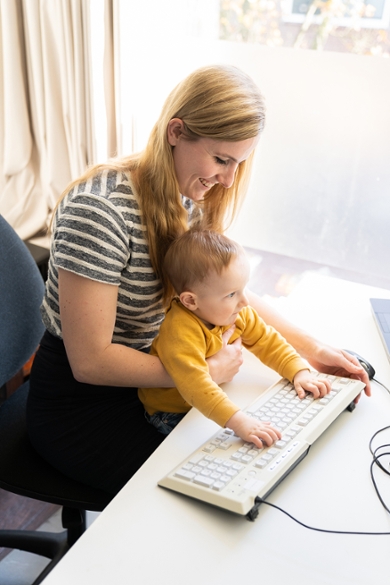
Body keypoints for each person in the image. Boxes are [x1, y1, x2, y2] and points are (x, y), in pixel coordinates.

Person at [26, 64, 370, 498]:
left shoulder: (187, 195)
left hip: (156, 377)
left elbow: (224, 293)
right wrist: (200, 373)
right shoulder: (100, 212)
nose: (228, 178)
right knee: (202, 494)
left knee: (255, 462)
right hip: (82, 405)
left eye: (238, 163)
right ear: (175, 132)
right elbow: (90, 362)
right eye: (221, 159)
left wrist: (313, 350)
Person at [139, 229, 332, 445]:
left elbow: (266, 340)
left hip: (211, 398)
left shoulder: (236, 311)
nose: (245, 302)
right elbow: (196, 385)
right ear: (191, 301)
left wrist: (299, 372)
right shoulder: (179, 332)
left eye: (244, 289)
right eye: (231, 294)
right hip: (173, 411)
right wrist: (240, 423)